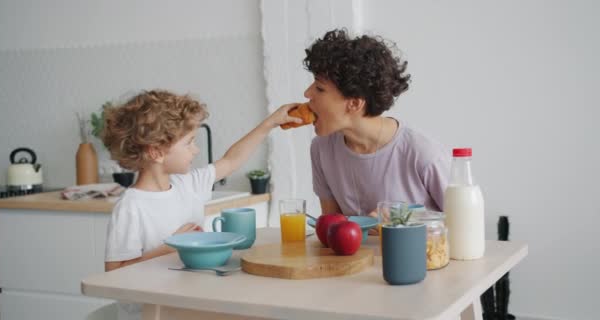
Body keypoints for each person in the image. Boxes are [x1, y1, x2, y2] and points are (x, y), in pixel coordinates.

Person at [102, 90, 299, 272]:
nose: (195, 150)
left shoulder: (189, 184)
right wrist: (172, 245)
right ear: (156, 152)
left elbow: (231, 161)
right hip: (151, 309)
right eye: (189, 143)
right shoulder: (132, 205)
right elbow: (114, 271)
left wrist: (270, 123)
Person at [304, 29, 450, 219]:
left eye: (320, 88)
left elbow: (466, 224)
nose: (307, 94)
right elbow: (331, 229)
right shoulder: (321, 149)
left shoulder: (423, 154)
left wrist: (405, 218)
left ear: (354, 103)